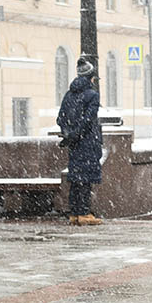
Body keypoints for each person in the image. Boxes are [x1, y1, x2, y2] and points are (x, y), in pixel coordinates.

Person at [56, 58, 103, 226]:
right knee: (86, 179)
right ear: (91, 77)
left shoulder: (69, 94)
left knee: (76, 178)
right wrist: (77, 134)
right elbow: (88, 120)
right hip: (87, 142)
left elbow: (60, 118)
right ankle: (84, 213)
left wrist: (69, 135)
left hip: (74, 144)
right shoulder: (92, 95)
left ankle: (74, 214)